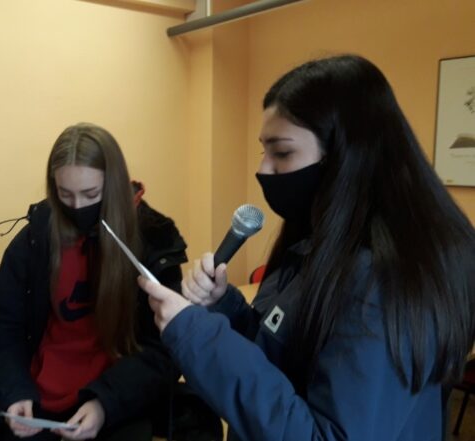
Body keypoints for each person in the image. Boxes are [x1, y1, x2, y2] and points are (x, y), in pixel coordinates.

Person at [139, 54, 475, 441]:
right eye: (263, 151)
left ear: (344, 156)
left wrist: (199, 337)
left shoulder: (382, 280)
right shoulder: (317, 242)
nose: (263, 170)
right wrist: (226, 307)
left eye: (282, 153)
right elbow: (286, 353)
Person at [0, 123, 189, 441]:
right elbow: (1, 325)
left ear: (114, 186)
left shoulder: (153, 242)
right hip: (38, 398)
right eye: (65, 194)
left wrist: (105, 403)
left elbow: (165, 348)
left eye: (91, 194)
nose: (77, 207)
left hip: (116, 400)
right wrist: (14, 390)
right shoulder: (36, 237)